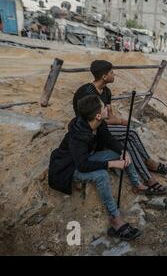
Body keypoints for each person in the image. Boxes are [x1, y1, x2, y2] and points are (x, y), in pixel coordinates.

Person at [49, 95, 151, 241]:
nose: (107, 109)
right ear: (98, 115)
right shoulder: (77, 136)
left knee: (120, 152)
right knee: (101, 174)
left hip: (86, 158)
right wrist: (111, 164)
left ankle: (137, 184)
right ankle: (115, 219)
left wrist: (122, 150)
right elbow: (82, 166)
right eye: (104, 107)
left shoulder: (98, 123)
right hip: (69, 168)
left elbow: (108, 139)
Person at [73, 60, 167, 195]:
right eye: (112, 72)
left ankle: (145, 175)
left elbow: (109, 117)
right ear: (104, 76)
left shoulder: (106, 91)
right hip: (92, 130)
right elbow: (93, 121)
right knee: (130, 134)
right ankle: (148, 168)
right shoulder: (87, 93)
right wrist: (123, 124)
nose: (115, 74)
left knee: (129, 136)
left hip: (101, 126)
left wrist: (124, 121)